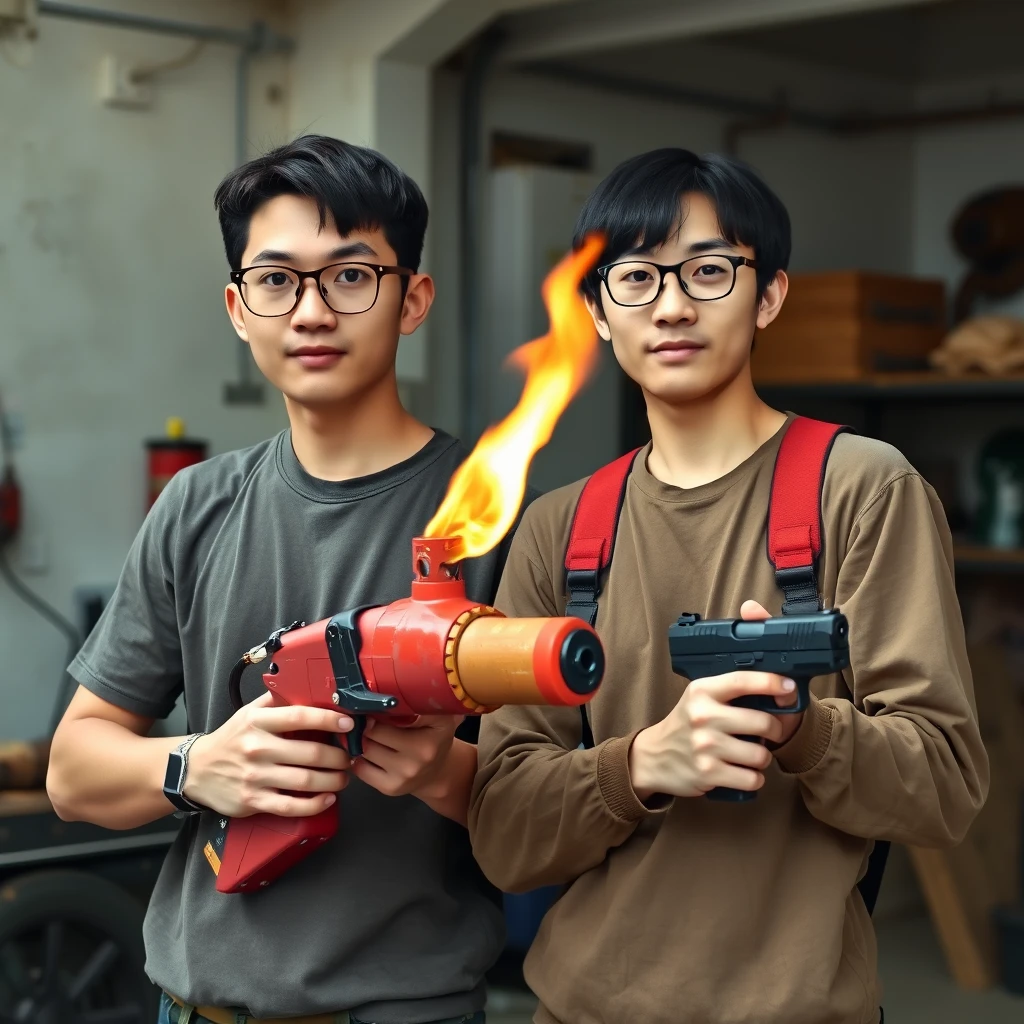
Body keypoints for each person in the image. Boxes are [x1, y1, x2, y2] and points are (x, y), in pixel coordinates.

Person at [468, 147, 989, 1024]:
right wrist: (638, 765)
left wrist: (804, 728)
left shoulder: (863, 488)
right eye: (635, 277)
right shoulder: (557, 531)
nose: (672, 304)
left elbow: (943, 787)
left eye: (710, 271)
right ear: (595, 311)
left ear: (770, 295)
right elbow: (505, 836)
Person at [48, 135, 520, 1024]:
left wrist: (441, 771)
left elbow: (567, 810)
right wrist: (200, 764)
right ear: (237, 307)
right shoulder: (196, 505)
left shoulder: (492, 516)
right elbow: (75, 771)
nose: (310, 312)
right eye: (276, 279)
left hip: (399, 1009)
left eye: (350, 276)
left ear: (412, 298)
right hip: (192, 1006)